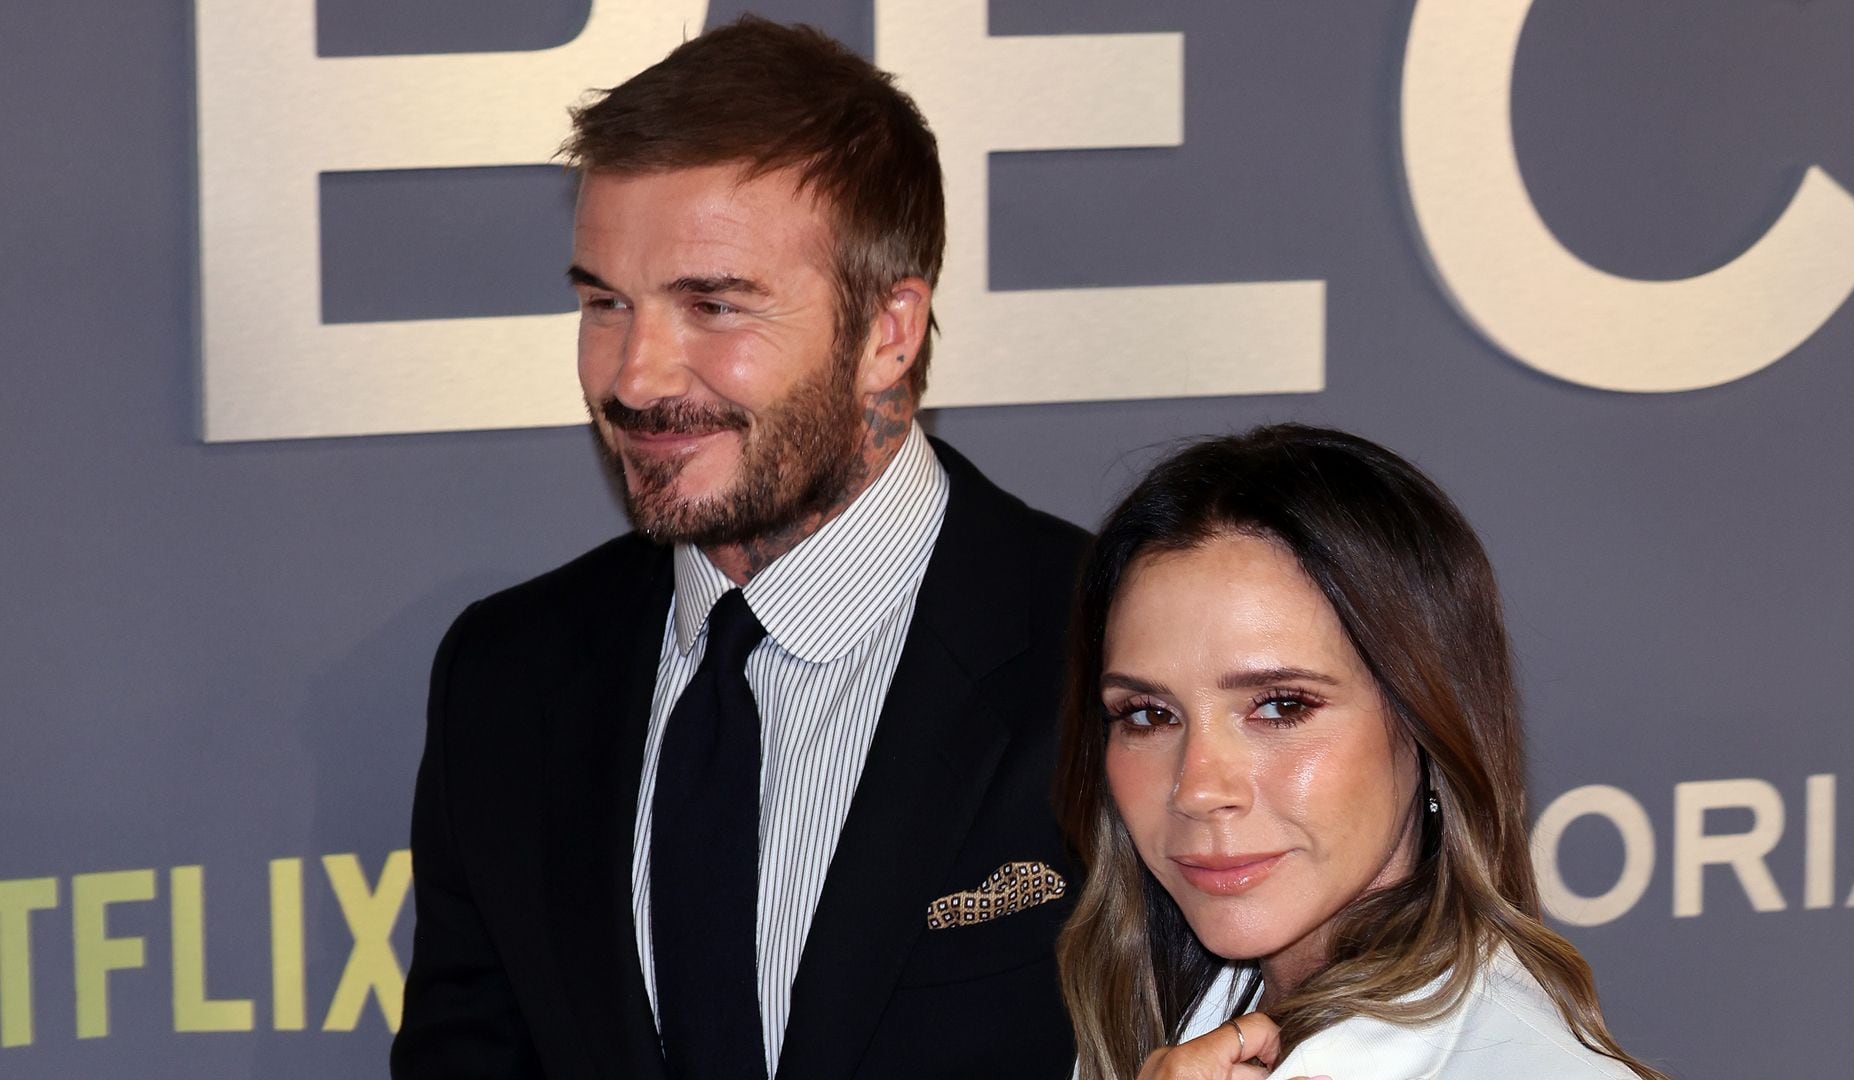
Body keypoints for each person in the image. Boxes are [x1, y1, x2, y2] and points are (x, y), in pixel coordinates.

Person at [391, 17, 1085, 1080]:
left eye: (713, 306)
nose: (634, 376)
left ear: (889, 332)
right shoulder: (507, 679)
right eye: (604, 304)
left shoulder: (1106, 653)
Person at [1053, 425, 1669, 1080]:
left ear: (1427, 721)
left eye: (1282, 706)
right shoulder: (1161, 1025)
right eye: (1148, 715)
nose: (1198, 787)